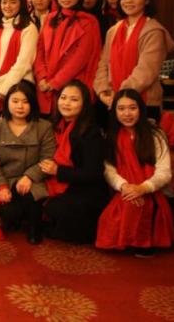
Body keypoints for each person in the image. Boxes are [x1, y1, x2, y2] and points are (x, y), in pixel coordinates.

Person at [96, 89, 173, 256]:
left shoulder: (156, 135)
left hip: (154, 191)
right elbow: (109, 169)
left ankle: (141, 241)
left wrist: (143, 188)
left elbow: (164, 172)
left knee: (138, 205)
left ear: (141, 109)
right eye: (121, 109)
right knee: (123, 208)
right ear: (115, 111)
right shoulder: (111, 136)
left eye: (132, 108)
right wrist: (124, 186)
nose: (127, 114)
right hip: (124, 189)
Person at [0, 81, 55, 244]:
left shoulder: (44, 127)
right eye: (15, 101)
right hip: (7, 179)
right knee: (9, 212)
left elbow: (48, 158)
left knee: (32, 199)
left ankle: (34, 228)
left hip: (34, 180)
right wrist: (1, 186)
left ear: (32, 104)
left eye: (25, 101)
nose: (20, 106)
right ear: (7, 103)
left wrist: (29, 176)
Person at [94, 0, 174, 120]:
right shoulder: (113, 30)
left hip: (143, 102)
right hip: (112, 100)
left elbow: (146, 71)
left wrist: (120, 95)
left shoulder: (153, 31)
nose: (128, 1)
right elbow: (103, 63)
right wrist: (103, 91)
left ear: (147, 0)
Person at [41, 81, 108, 244]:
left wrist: (58, 171)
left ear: (84, 104)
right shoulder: (53, 125)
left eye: (74, 99)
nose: (66, 103)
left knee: (58, 209)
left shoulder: (90, 132)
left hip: (85, 188)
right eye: (63, 98)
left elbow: (93, 173)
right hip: (58, 182)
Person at [34, 0, 101, 116]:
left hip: (72, 83)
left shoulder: (88, 21)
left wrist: (55, 82)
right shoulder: (50, 17)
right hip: (45, 83)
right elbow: (40, 50)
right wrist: (41, 77)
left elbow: (80, 58)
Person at [0, 0, 38, 121]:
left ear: (21, 4)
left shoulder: (28, 28)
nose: (7, 6)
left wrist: (3, 89)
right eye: (4, 2)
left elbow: (23, 63)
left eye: (13, 2)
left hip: (19, 87)